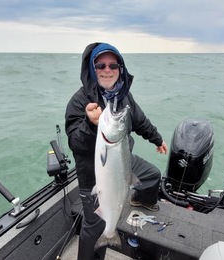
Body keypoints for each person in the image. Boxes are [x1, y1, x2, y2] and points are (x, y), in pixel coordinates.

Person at [65, 42, 168, 260]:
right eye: (100, 65)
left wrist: (157, 140)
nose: (107, 70)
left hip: (123, 160)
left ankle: (139, 199)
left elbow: (140, 121)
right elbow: (75, 143)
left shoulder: (124, 96)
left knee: (152, 175)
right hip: (93, 172)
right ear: (92, 69)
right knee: (94, 227)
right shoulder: (79, 101)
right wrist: (89, 123)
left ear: (120, 68)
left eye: (113, 65)